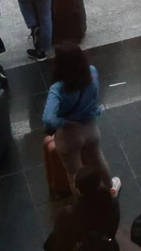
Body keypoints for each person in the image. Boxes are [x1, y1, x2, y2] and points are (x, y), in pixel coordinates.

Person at [43, 43, 118, 192]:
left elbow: (48, 119)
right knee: (97, 159)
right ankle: (110, 188)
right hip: (90, 127)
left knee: (75, 174)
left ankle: (85, 204)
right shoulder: (92, 72)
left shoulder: (57, 88)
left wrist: (64, 122)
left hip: (69, 135)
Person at [44, 166, 120, 251]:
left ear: (78, 190)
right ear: (98, 184)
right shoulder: (111, 202)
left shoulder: (68, 215)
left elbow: (60, 241)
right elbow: (113, 227)